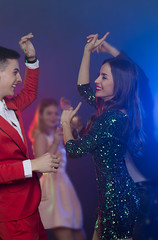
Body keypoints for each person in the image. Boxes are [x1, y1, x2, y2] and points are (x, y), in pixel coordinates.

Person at [0, 33, 60, 240]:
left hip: (30, 207)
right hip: (13, 216)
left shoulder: (10, 105)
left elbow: (30, 92)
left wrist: (31, 59)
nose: (19, 78)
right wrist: (32, 165)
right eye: (15, 72)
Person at [60, 33, 141, 240]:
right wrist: (86, 52)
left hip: (117, 200)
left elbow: (74, 150)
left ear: (119, 84)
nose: (97, 80)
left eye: (104, 77)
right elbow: (82, 88)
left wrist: (65, 123)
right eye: (99, 74)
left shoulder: (112, 118)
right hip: (113, 197)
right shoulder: (110, 109)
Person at [96, 40, 158, 240]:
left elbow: (141, 78)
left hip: (141, 185)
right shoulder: (107, 112)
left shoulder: (139, 111)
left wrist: (111, 50)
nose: (98, 81)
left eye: (104, 76)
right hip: (117, 190)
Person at [29, 98, 86, 240]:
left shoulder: (57, 132)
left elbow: (77, 125)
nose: (53, 117)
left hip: (63, 184)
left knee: (79, 233)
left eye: (56, 113)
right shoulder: (41, 136)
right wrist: (55, 142)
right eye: (49, 113)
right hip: (52, 186)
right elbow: (41, 166)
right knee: (64, 232)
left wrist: (68, 110)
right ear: (41, 115)